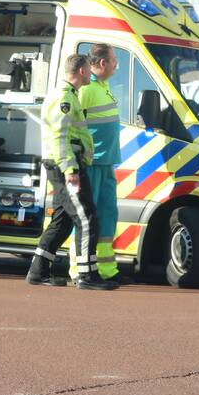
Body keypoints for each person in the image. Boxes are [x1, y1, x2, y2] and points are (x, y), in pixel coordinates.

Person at [26, 54, 117, 291]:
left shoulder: (68, 96)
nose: (91, 73)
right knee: (86, 217)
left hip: (65, 164)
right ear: (82, 72)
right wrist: (70, 169)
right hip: (66, 166)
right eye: (88, 69)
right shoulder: (64, 99)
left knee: (63, 219)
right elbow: (60, 137)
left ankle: (38, 270)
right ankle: (87, 275)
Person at [69, 44, 126, 284]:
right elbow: (72, 124)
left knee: (107, 215)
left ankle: (106, 268)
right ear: (102, 63)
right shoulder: (87, 89)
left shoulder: (104, 85)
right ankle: (78, 268)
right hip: (91, 163)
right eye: (114, 61)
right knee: (86, 218)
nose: (116, 65)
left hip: (107, 162)